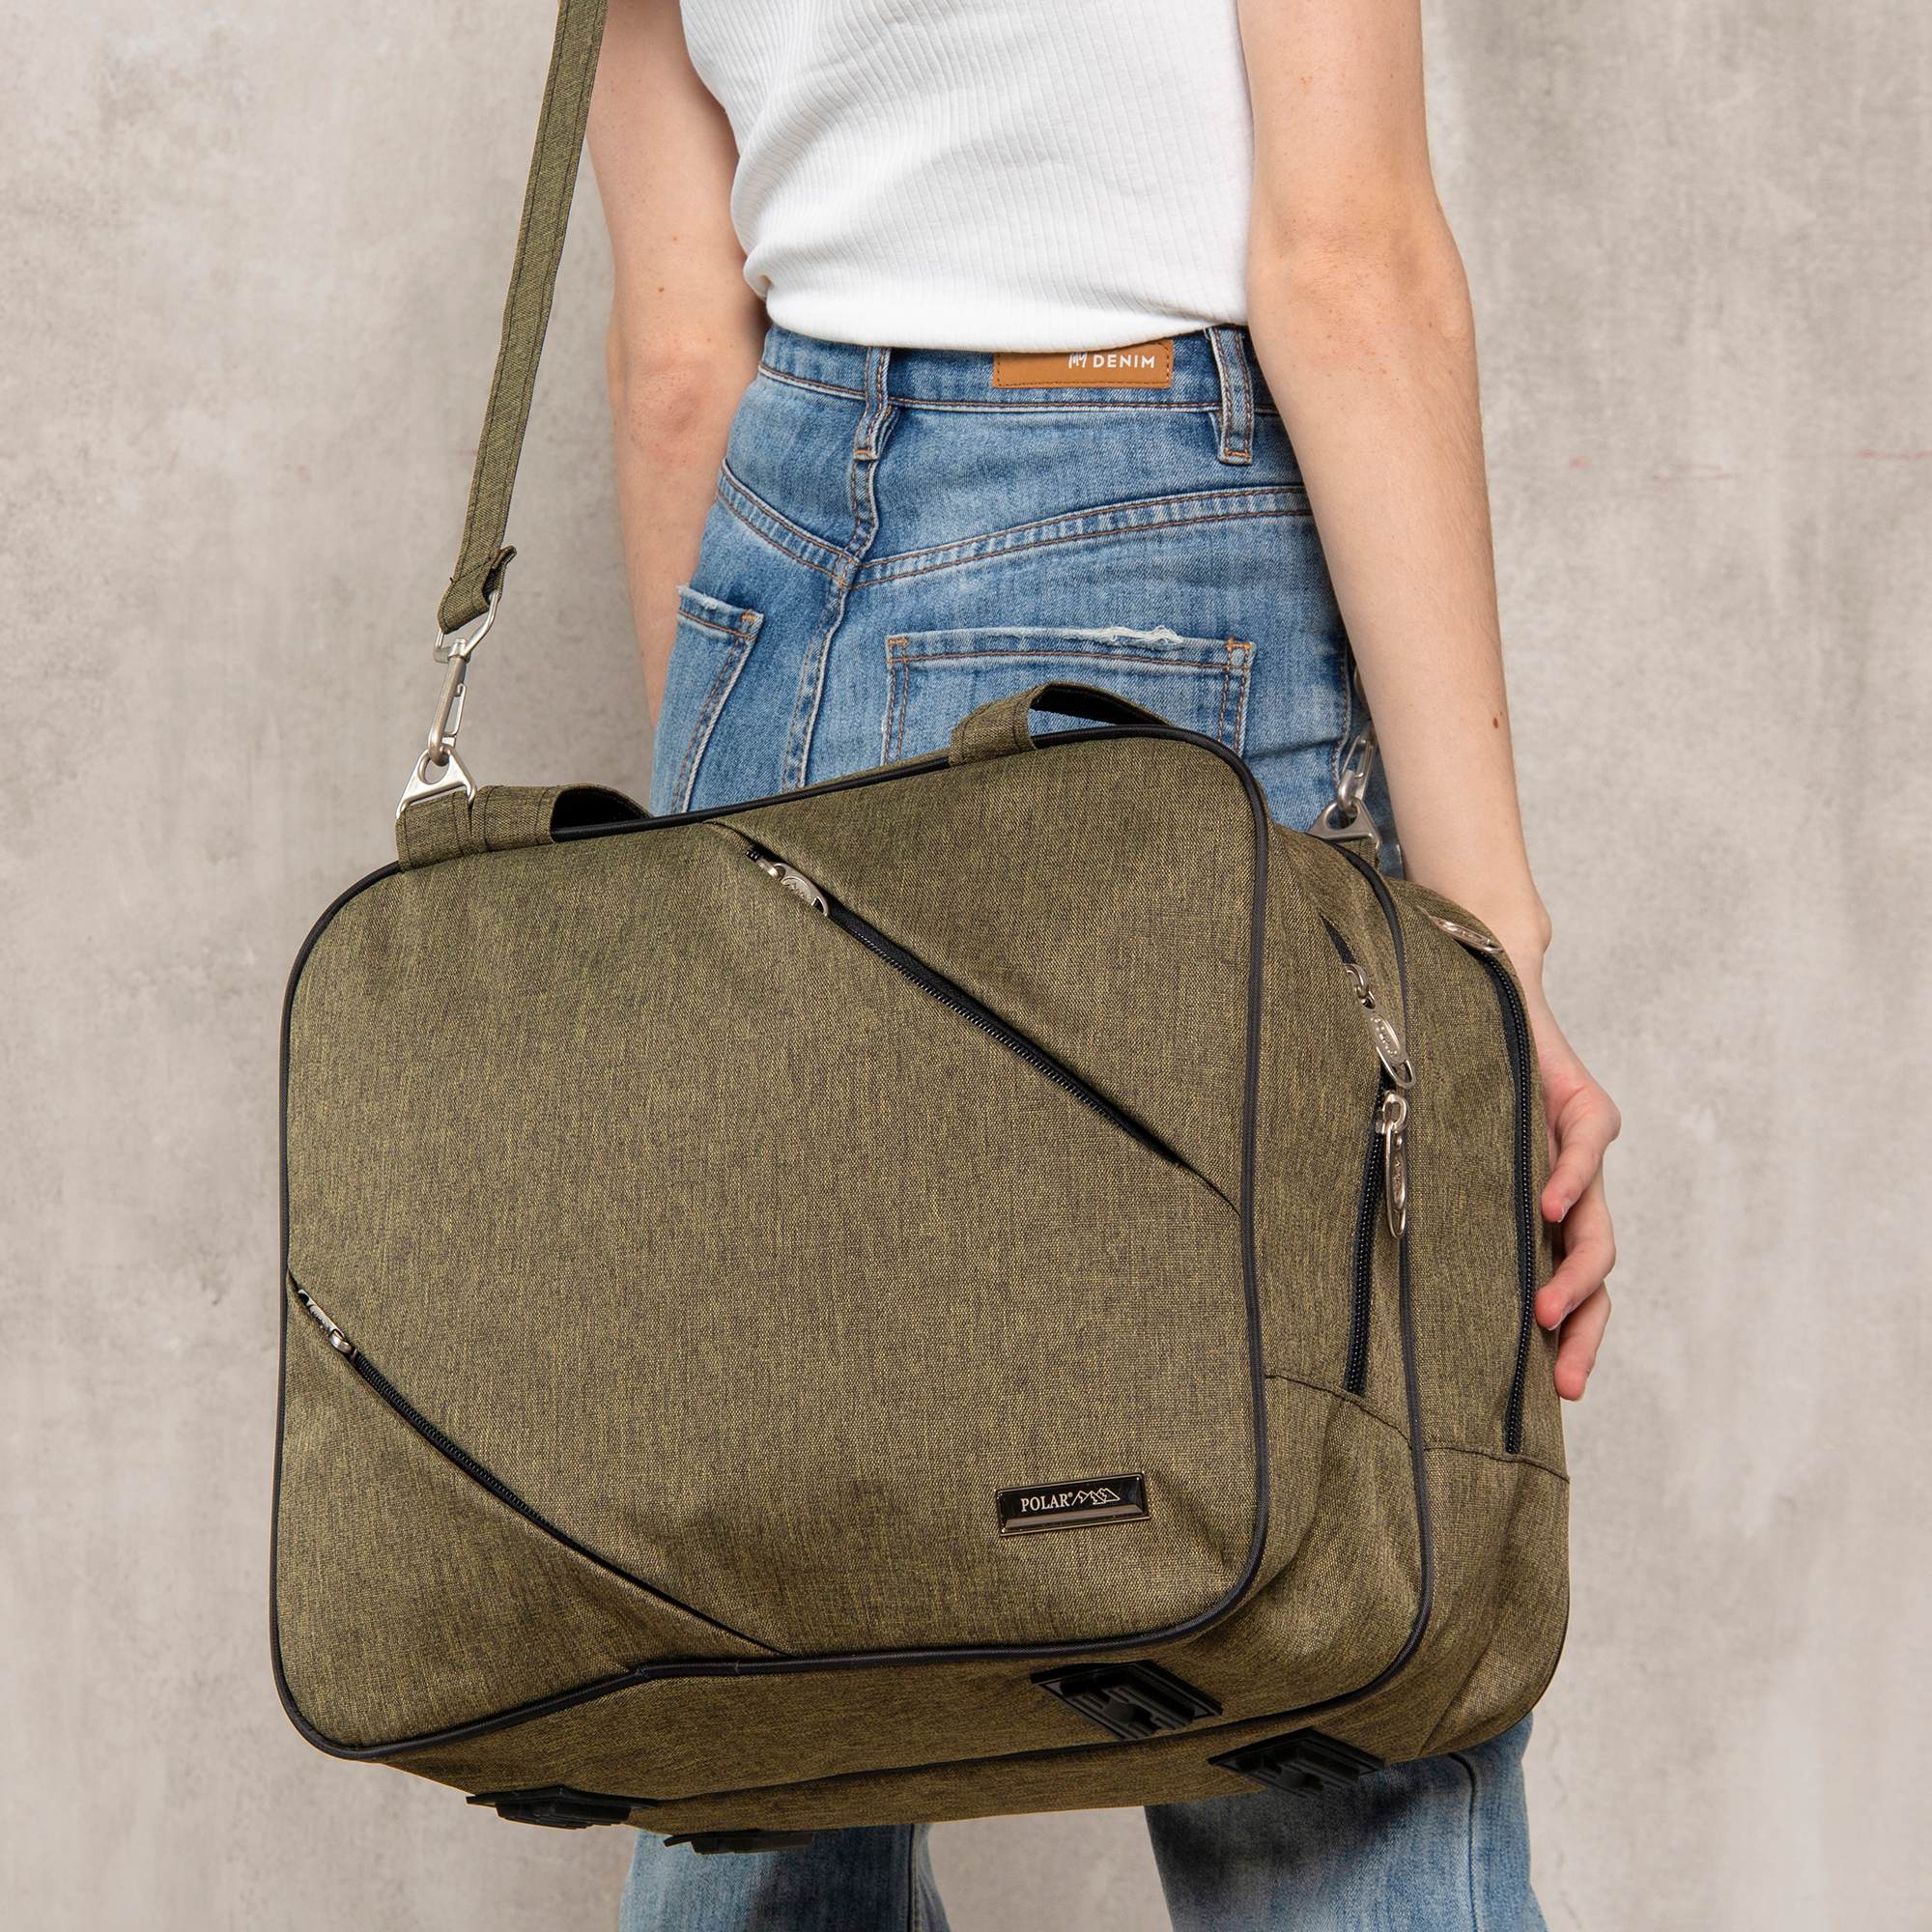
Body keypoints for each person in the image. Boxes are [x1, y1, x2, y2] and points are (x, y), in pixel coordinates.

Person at [587, 1, 1619, 1925]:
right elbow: (1346, 263)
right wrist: (1493, 959)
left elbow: (673, 360)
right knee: (1330, 1660)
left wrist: (717, 931)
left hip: (772, 568)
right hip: (1159, 554)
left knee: (766, 1649)